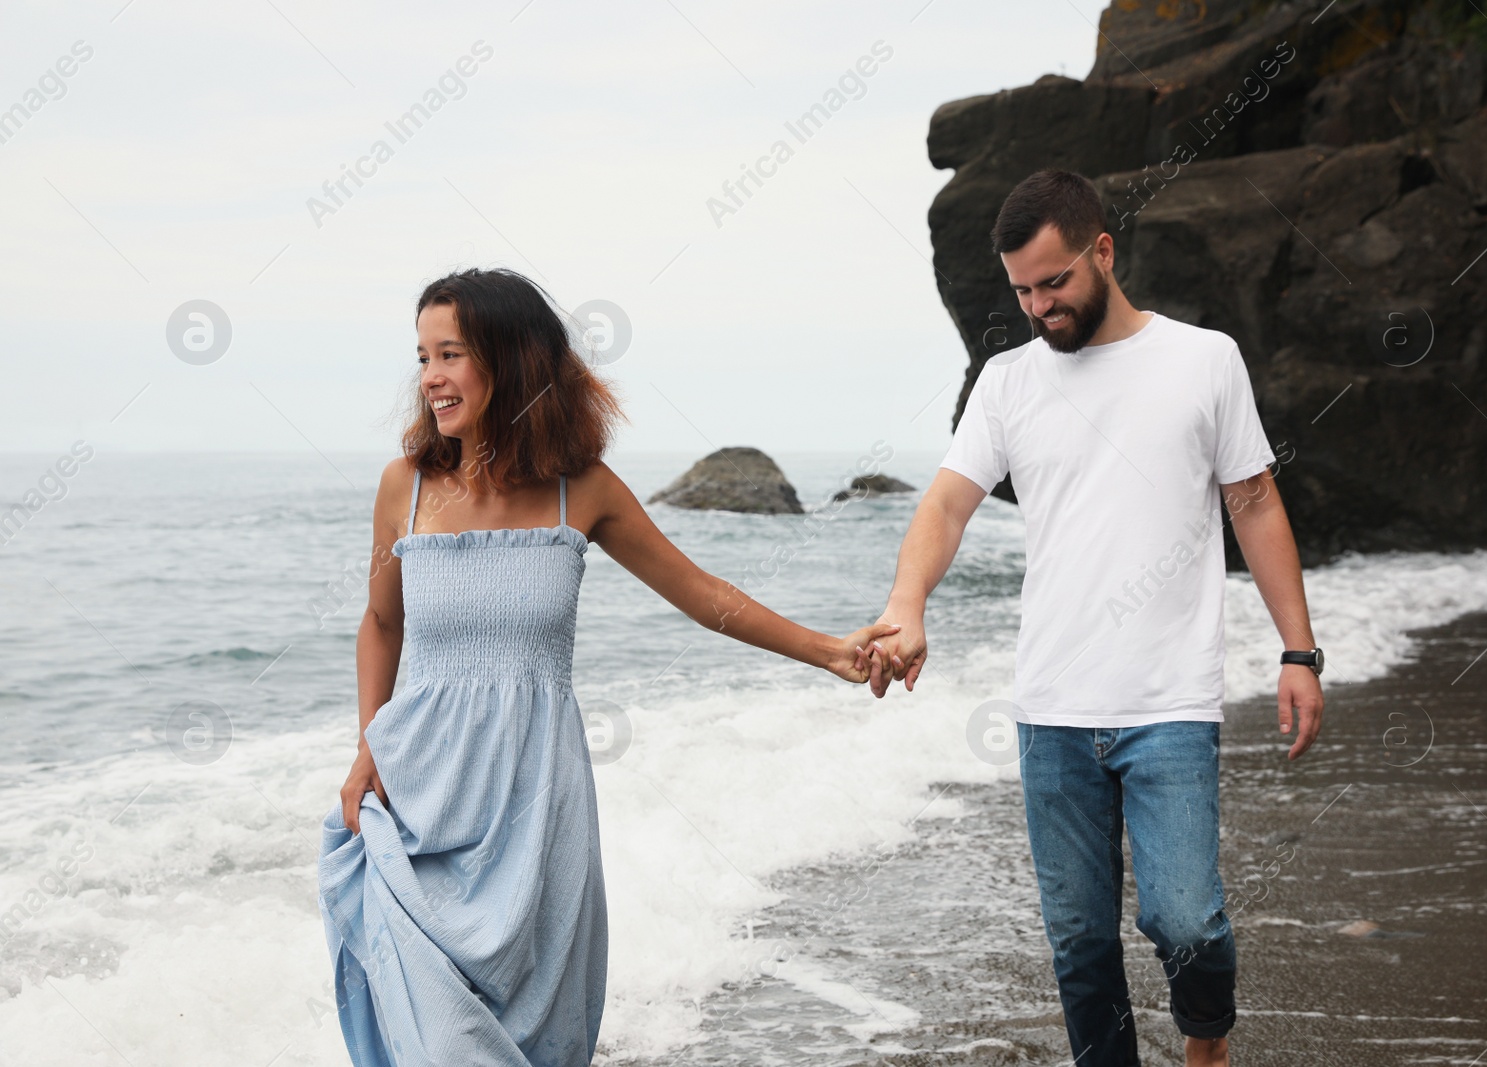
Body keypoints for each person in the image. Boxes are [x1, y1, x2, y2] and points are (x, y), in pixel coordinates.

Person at [316, 266, 898, 1066]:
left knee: (537, 1031)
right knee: (440, 1041)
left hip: (534, 802)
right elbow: (382, 622)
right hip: (420, 789)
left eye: (449, 354)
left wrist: (830, 649)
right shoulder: (405, 486)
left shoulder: (579, 491)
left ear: (511, 357)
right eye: (422, 358)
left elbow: (703, 594)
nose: (431, 378)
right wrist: (365, 748)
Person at [863, 169, 1324, 1067]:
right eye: (1023, 291)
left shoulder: (1204, 359)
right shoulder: (1007, 383)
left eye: (1055, 282)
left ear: (1103, 251)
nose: (1041, 306)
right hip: (1051, 710)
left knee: (1186, 921)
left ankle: (1206, 1044)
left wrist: (1298, 650)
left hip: (1170, 703)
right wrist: (904, 604)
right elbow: (948, 505)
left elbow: (1255, 503)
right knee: (1079, 945)